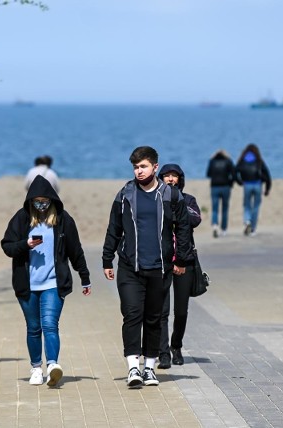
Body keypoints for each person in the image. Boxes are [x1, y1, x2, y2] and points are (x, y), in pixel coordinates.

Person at [102, 146, 192, 388]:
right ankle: (133, 367)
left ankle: (149, 368)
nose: (138, 171)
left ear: (155, 166)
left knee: (153, 319)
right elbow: (114, 228)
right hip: (130, 267)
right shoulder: (125, 194)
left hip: (159, 268)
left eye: (143, 166)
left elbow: (183, 228)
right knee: (132, 315)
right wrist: (107, 258)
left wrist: (181, 260)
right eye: (135, 167)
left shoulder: (171, 196)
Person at [1, 174, 91, 387]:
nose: (41, 205)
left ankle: (52, 365)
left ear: (52, 200)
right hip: (27, 285)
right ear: (30, 201)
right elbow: (7, 247)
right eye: (37, 201)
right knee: (33, 327)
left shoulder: (63, 220)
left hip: (53, 283)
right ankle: (35, 368)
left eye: (45, 201)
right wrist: (26, 244)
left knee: (50, 324)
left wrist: (85, 277)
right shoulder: (21, 218)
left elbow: (75, 251)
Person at [156, 164, 202, 369]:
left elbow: (195, 219)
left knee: (181, 311)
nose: (170, 179)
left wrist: (178, 202)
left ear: (180, 179)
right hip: (162, 261)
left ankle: (176, 346)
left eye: (174, 176)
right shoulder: (156, 198)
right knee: (161, 310)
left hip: (185, 260)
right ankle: (163, 351)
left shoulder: (188, 199)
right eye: (166, 176)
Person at [235, 144, 272, 236]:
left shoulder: (242, 160)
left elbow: (235, 172)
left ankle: (247, 220)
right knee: (256, 206)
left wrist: (239, 182)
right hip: (257, 185)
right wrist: (267, 188)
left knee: (247, 205)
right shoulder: (259, 161)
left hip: (247, 185)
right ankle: (253, 229)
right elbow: (267, 175)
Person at [206, 149, 236, 238]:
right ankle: (224, 229)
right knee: (225, 208)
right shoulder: (228, 161)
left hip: (214, 186)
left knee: (215, 208)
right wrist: (231, 183)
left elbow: (208, 174)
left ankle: (215, 225)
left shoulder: (212, 161)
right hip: (225, 186)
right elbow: (233, 174)